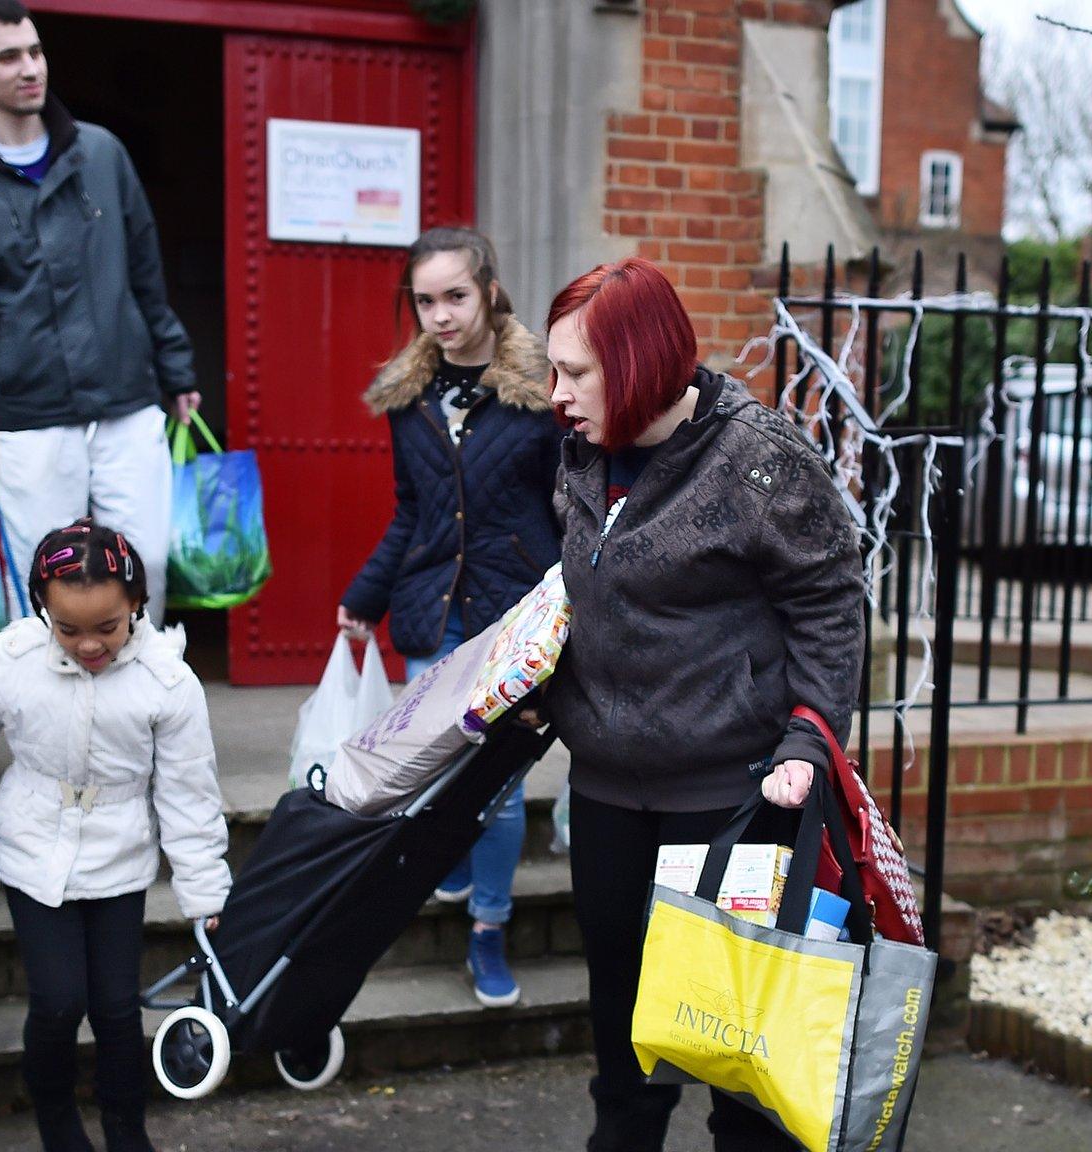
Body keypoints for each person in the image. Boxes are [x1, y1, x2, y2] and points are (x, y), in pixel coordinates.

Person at [539, 257, 864, 1152]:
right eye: (553, 369)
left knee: (733, 1061)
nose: (555, 393)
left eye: (575, 372)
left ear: (638, 363)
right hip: (607, 793)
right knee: (625, 1034)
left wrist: (809, 733)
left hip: (731, 802)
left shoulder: (758, 461)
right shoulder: (580, 450)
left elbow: (831, 602)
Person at [0, 521, 229, 1152]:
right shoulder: (13, 656)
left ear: (135, 602)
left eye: (106, 627)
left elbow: (189, 793)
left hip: (120, 855)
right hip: (32, 848)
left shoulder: (167, 681)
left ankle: (127, 1131)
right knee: (56, 1001)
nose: (87, 645)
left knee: (115, 1008)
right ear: (42, 608)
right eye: (67, 628)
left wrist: (205, 890)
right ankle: (57, 1126)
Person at [0, 0, 199, 622]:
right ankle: (50, 719)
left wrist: (177, 370)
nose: (30, 68)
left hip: (127, 400)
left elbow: (148, 277)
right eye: (8, 56)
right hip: (32, 414)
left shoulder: (102, 155)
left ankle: (140, 713)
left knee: (144, 563)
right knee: (42, 581)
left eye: (35, 51)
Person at [337, 227, 563, 1010]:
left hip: (512, 617)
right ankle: (458, 862)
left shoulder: (544, 394)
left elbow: (568, 503)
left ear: (490, 291)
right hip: (434, 614)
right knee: (435, 767)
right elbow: (414, 512)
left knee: (494, 790)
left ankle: (489, 929)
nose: (440, 314)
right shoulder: (409, 401)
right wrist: (364, 597)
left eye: (455, 296)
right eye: (426, 300)